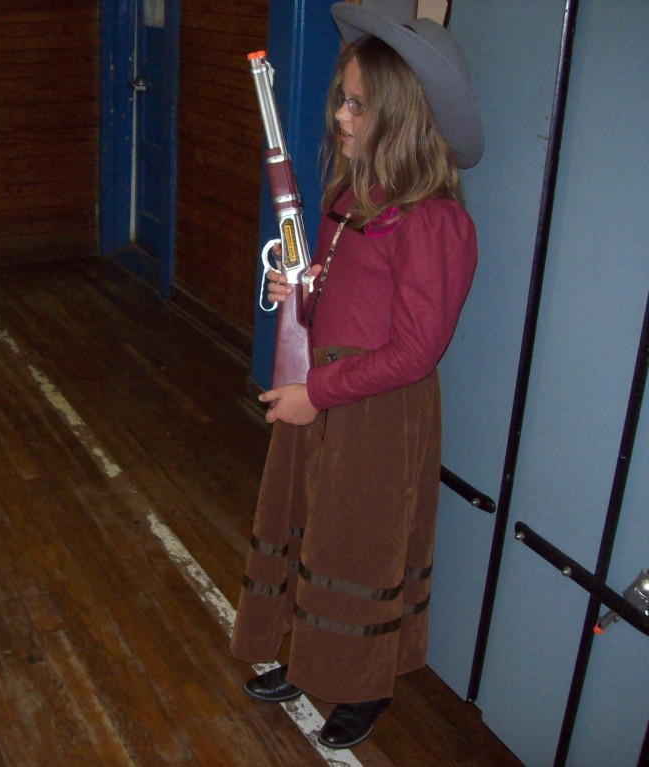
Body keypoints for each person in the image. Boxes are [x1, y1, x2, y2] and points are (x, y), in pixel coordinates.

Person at [230, 2, 484, 751]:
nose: (339, 114)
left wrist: (318, 394)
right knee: (312, 527)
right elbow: (341, 290)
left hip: (377, 410)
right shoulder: (350, 198)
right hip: (328, 397)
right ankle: (310, 658)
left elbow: (414, 350)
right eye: (342, 98)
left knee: (361, 546)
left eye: (355, 103)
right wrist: (298, 291)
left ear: (401, 116)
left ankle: (361, 682)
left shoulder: (433, 222)